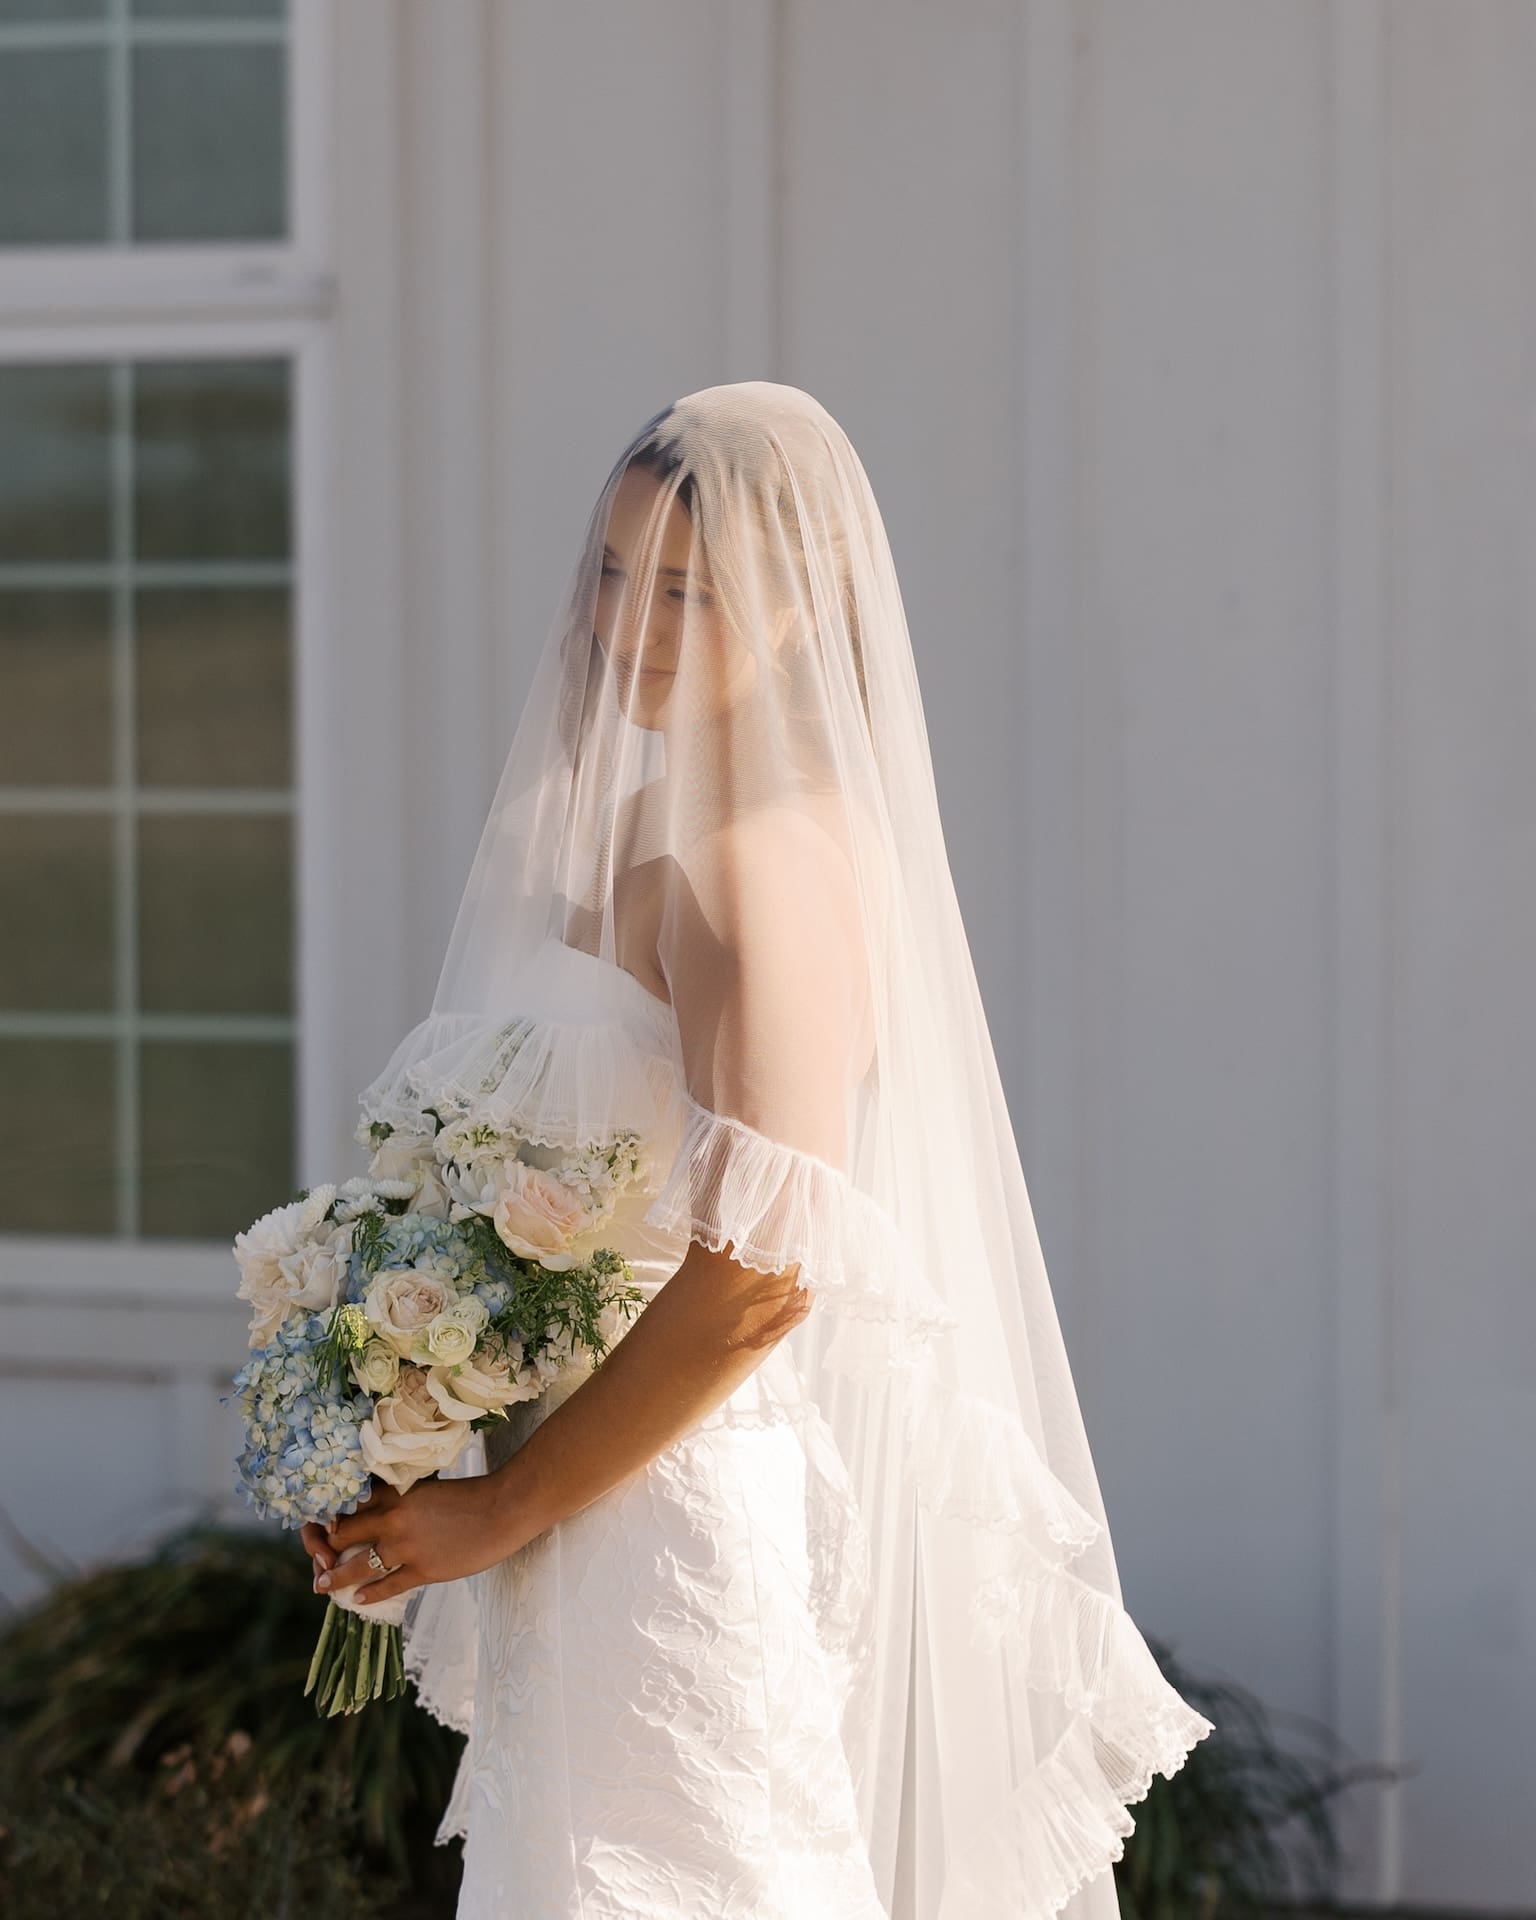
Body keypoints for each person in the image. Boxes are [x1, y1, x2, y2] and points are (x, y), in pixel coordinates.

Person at [304, 381, 1214, 1918]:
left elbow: (762, 1275)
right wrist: (392, 1413)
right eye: (612, 573)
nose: (629, 623)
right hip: (581, 1507)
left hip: (663, 1526)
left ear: (800, 612)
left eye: (689, 591)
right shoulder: (639, 829)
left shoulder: (754, 867)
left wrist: (503, 1506)